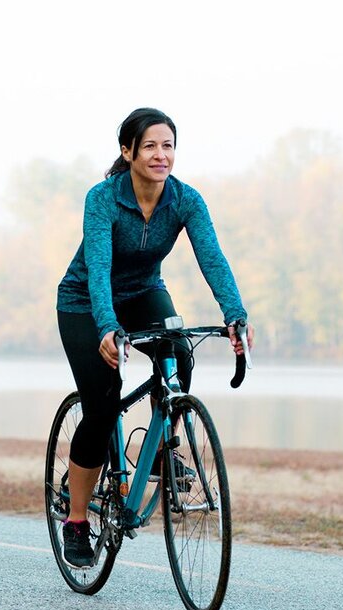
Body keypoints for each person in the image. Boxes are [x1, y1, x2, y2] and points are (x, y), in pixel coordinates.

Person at [55, 107, 254, 568]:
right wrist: (108, 328)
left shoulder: (185, 200)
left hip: (145, 291)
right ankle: (78, 521)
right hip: (85, 302)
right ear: (127, 152)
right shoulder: (103, 198)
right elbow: (98, 271)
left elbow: (212, 258)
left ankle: (162, 450)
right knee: (103, 404)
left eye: (168, 146)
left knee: (179, 352)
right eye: (149, 146)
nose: (160, 155)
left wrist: (235, 315)